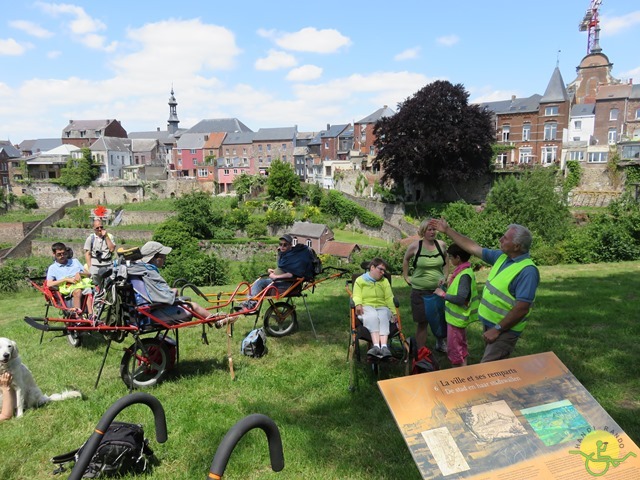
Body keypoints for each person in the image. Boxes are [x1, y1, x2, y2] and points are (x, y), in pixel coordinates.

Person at [430, 219, 539, 362]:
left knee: (488, 371)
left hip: (505, 329)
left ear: (517, 246)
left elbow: (522, 308)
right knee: (493, 369)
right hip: (491, 324)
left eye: (505, 238)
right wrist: (448, 230)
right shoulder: (502, 257)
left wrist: (498, 329)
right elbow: (473, 247)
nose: (500, 239)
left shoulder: (528, 271)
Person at [126, 241, 212, 319]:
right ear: (153, 258)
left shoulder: (137, 270)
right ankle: (218, 320)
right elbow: (166, 298)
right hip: (153, 313)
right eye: (162, 256)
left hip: (141, 313)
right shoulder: (149, 272)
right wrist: (173, 292)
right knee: (193, 306)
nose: (165, 259)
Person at [402, 219, 449, 353]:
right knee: (422, 322)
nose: (432, 232)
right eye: (429, 229)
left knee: (440, 319)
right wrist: (406, 277)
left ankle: (440, 343)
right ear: (423, 231)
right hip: (419, 291)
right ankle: (421, 352)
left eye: (434, 229)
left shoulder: (441, 245)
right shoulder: (415, 246)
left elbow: (446, 260)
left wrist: (445, 276)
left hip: (437, 290)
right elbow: (406, 259)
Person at [240, 234, 313, 310]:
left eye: (285, 245)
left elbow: (290, 274)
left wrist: (275, 276)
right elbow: (284, 269)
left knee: (260, 283)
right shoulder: (286, 255)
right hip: (278, 281)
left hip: (285, 285)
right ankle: (249, 303)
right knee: (257, 283)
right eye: (280, 244)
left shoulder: (292, 257)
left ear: (290, 245)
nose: (282, 247)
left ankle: (250, 306)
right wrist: (274, 271)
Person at [434, 244, 479, 367]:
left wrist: (443, 294)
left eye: (450, 257)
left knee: (455, 349)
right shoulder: (462, 271)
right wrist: (445, 285)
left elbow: (460, 298)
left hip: (457, 319)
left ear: (458, 258)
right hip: (456, 318)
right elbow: (456, 289)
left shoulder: (464, 275)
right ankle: (464, 369)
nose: (449, 259)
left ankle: (458, 376)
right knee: (461, 346)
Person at [352, 258, 397, 359]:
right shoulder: (360, 280)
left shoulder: (384, 281)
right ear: (372, 267)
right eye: (380, 269)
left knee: (384, 314)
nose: (382, 272)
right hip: (366, 306)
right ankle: (376, 346)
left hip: (382, 307)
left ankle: (384, 347)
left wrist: (394, 313)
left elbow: (389, 297)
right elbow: (357, 295)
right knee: (372, 315)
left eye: (384, 271)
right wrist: (358, 304)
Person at [46, 242, 93, 314]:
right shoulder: (52, 268)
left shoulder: (75, 261)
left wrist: (80, 273)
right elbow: (49, 284)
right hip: (67, 286)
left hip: (81, 283)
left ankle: (91, 315)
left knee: (89, 290)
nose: (62, 256)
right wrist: (65, 279)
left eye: (64, 253)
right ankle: (78, 316)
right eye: (59, 254)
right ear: (54, 254)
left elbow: (89, 274)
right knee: (78, 291)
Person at [84, 219, 116, 283]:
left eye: (101, 227)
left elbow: (112, 249)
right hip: (95, 264)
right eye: (97, 228)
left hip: (107, 264)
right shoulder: (90, 238)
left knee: (110, 282)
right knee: (96, 284)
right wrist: (90, 267)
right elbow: (87, 254)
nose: (100, 229)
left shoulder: (109, 236)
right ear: (94, 228)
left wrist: (106, 237)